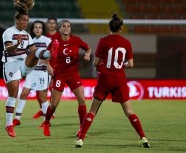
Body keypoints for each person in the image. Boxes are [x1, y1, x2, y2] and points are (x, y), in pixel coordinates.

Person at [75, 14, 150, 148]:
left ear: (109, 27)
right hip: (119, 78)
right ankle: (143, 138)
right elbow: (131, 64)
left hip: (105, 78)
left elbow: (96, 63)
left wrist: (101, 64)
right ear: (121, 28)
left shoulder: (103, 41)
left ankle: (81, 139)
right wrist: (120, 64)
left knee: (92, 110)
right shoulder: (126, 43)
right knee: (129, 111)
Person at [2, 0, 58, 137]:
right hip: (11, 64)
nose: (26, 23)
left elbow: (33, 50)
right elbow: (9, 50)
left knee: (35, 53)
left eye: (27, 20)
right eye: (24, 20)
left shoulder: (26, 35)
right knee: (14, 94)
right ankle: (9, 124)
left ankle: (51, 52)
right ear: (17, 20)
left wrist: (47, 55)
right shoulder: (9, 32)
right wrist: (17, 43)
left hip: (23, 63)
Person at [41, 20, 91, 136]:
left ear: (70, 28)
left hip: (73, 74)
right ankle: (47, 121)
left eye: (68, 26)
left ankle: (81, 128)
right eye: (64, 26)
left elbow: (88, 48)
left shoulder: (76, 40)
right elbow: (46, 55)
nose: (66, 28)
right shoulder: (55, 41)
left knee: (82, 100)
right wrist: (48, 66)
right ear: (60, 28)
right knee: (54, 104)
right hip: (60, 75)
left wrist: (87, 54)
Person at [13, 20, 52, 127]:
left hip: (42, 72)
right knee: (24, 94)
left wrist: (46, 61)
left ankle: (46, 121)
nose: (38, 29)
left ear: (43, 29)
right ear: (33, 29)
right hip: (32, 71)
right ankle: (17, 119)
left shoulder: (47, 41)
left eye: (40, 27)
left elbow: (53, 53)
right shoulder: (30, 41)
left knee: (42, 97)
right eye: (36, 27)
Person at [32, 16, 60, 119]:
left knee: (50, 90)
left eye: (53, 23)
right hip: (41, 67)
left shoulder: (59, 36)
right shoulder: (43, 37)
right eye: (50, 23)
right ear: (47, 25)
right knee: (39, 91)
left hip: (53, 67)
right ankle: (43, 110)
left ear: (56, 25)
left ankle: (50, 112)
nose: (52, 25)